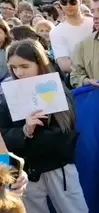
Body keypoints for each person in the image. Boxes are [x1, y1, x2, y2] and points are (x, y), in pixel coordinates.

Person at [0, 39, 89, 213]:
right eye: (14, 67)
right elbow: (3, 135)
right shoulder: (7, 93)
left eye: (25, 66)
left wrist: (28, 136)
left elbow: (65, 133)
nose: (19, 73)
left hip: (58, 167)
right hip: (27, 171)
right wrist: (25, 131)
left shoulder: (56, 88)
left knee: (74, 209)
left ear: (39, 63)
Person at [50, 0, 94, 73]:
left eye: (72, 1)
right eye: (64, 2)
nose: (68, 5)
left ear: (80, 1)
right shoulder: (56, 32)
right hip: (80, 78)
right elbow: (65, 65)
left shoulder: (94, 23)